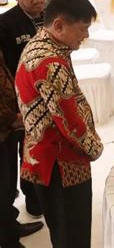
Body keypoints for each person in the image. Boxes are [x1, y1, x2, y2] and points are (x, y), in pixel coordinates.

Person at [15, 0, 103, 248]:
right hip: (61, 162)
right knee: (72, 234)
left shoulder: (41, 42)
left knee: (62, 230)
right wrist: (95, 147)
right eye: (83, 28)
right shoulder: (50, 62)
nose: (86, 36)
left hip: (43, 154)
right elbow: (69, 121)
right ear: (59, 25)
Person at [0, 0, 46, 219]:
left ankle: (36, 198)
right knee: (18, 156)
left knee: (39, 153)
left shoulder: (51, 17)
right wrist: (14, 112)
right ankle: (11, 214)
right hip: (18, 107)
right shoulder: (6, 24)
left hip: (47, 101)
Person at [0, 50, 45, 248]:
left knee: (8, 186)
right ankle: (8, 240)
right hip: (4, 126)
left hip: (7, 132)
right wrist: (14, 118)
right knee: (1, 188)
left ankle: (11, 226)